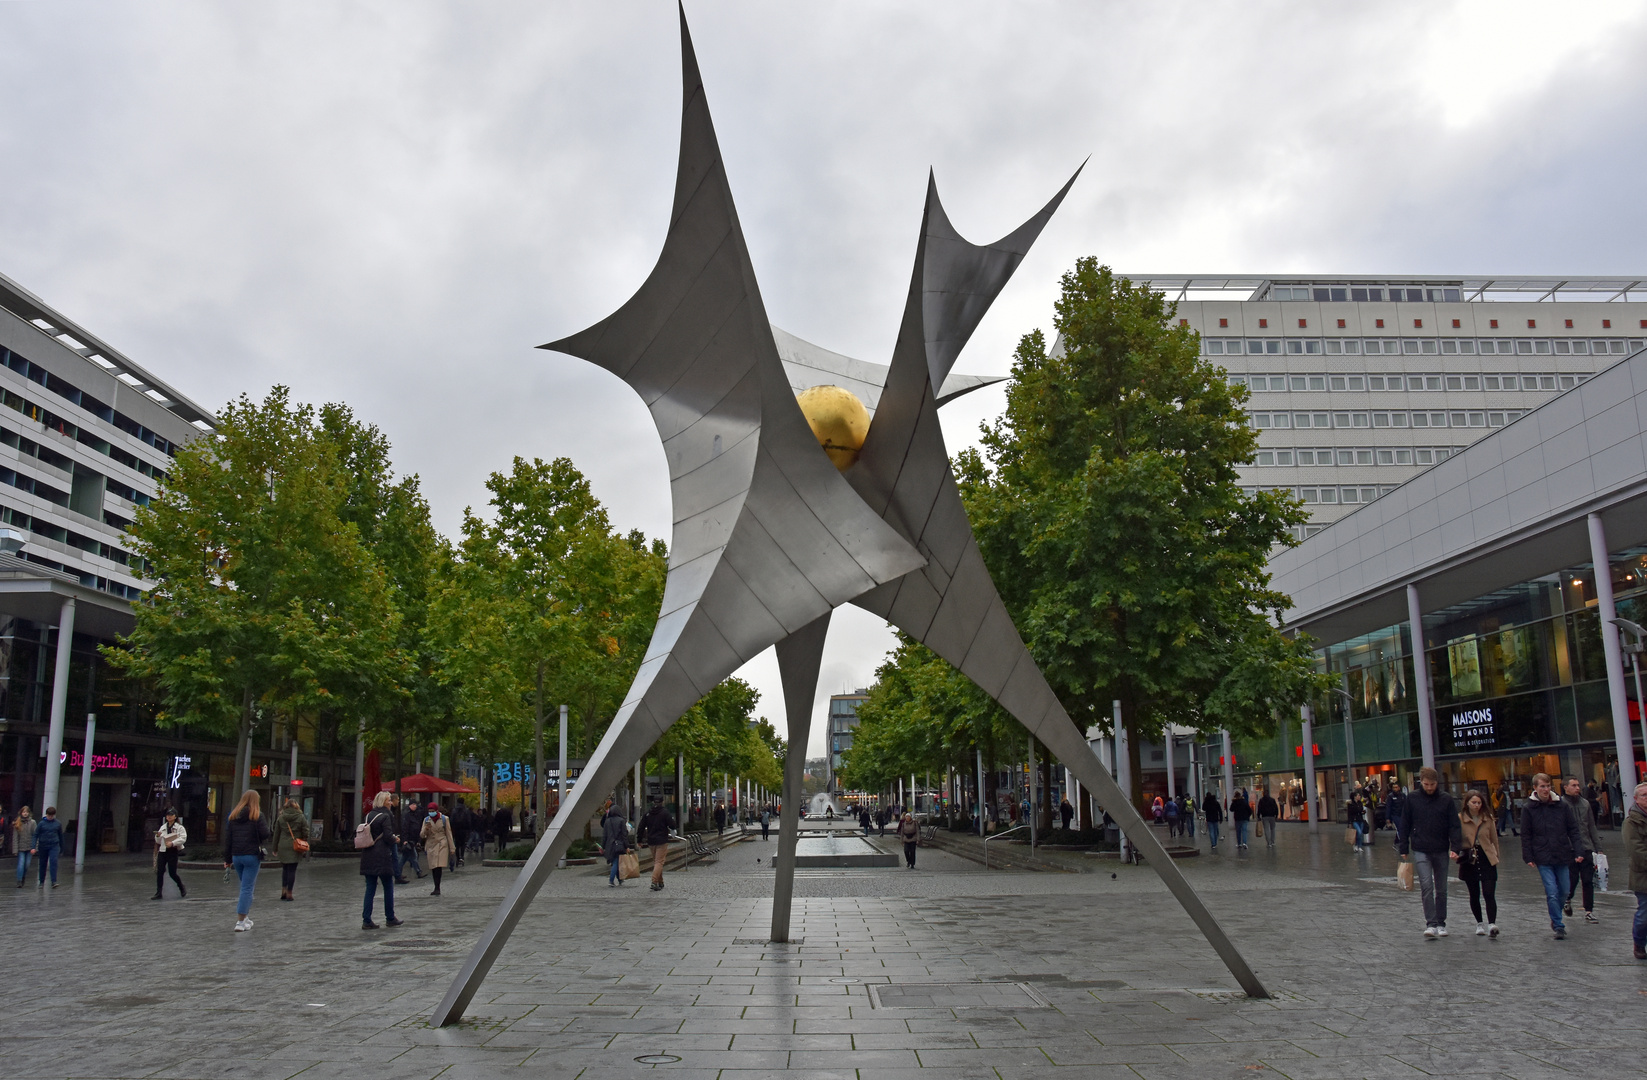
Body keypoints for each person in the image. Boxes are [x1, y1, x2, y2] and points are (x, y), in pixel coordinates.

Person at [1397, 766, 1461, 939]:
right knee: (1426, 886)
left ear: (1437, 783)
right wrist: (1403, 847)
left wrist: (1455, 847)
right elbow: (1405, 823)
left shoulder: (1446, 800)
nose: (1430, 787)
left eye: (1432, 784)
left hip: (1440, 848)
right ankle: (1431, 923)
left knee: (1441, 888)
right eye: (1426, 784)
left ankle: (1441, 922)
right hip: (1420, 848)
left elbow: (1454, 825)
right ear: (1421, 783)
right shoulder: (1413, 799)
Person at [1522, 772, 1584, 940]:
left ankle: (1556, 913)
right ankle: (1558, 924)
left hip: (1562, 853)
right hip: (1542, 855)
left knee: (1565, 890)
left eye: (1548, 786)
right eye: (1542, 786)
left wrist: (1578, 851)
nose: (1546, 789)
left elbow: (1573, 829)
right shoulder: (1529, 808)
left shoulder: (1561, 805)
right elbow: (1526, 834)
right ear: (1535, 788)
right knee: (1552, 891)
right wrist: (1528, 856)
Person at [222, 790, 270, 932]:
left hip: (237, 856)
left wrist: (227, 859)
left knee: (244, 885)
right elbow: (265, 833)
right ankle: (240, 921)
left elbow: (228, 839)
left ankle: (246, 917)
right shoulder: (257, 816)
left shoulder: (233, 816)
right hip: (251, 855)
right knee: (247, 888)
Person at [1457, 790, 1500, 937]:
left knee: (1489, 893)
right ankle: (1479, 923)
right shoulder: (1460, 819)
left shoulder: (1488, 819)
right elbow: (1456, 839)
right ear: (1467, 803)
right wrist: (1456, 851)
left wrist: (1496, 857)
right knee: (1474, 893)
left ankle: (1492, 923)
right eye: (1473, 802)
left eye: (1479, 802)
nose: (1476, 805)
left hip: (1486, 856)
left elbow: (1494, 839)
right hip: (1470, 858)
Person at [1562, 777, 1601, 925]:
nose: (1577, 788)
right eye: (1573, 785)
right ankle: (1567, 898)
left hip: (1586, 847)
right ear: (1565, 787)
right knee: (1573, 879)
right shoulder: (1560, 804)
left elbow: (1591, 826)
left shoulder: (1585, 804)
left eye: (1578, 785)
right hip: (1569, 849)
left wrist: (1599, 848)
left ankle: (1589, 911)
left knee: (1588, 880)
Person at [361, 791, 403, 929]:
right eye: (389, 800)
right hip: (383, 855)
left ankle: (366, 919)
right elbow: (387, 835)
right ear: (384, 802)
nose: (391, 802)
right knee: (388, 886)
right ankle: (390, 917)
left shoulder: (369, 815)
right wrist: (395, 839)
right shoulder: (386, 816)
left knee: (370, 888)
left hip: (368, 853)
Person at [1623, 781, 1647, 960]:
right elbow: (1635, 849)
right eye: (1644, 795)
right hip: (1643, 875)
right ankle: (1639, 943)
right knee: (1645, 912)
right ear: (1636, 799)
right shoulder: (1632, 822)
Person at [272, 797, 308, 903]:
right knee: (292, 869)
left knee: (285, 869)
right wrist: (304, 840)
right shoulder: (300, 817)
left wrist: (275, 848)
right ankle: (289, 893)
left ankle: (283, 890)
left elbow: (276, 834)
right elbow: (306, 831)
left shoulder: (281, 818)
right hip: (295, 846)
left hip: (283, 845)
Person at [421, 802, 455, 896]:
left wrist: (452, 848)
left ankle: (437, 887)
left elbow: (449, 833)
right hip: (431, 845)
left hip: (441, 844)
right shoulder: (426, 820)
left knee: (438, 866)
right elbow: (422, 835)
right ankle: (436, 886)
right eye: (429, 811)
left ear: (437, 811)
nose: (431, 813)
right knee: (433, 866)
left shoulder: (444, 819)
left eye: (432, 811)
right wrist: (426, 829)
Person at [640, 798, 674, 892]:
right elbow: (672, 825)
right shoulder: (665, 813)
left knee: (657, 862)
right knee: (659, 862)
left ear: (653, 802)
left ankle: (660, 881)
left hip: (651, 841)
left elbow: (641, 826)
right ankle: (654, 881)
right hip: (662, 840)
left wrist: (639, 840)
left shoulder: (648, 813)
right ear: (662, 802)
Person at [153, 808, 188, 900]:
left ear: (175, 817)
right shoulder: (163, 827)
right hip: (163, 851)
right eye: (167, 815)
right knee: (160, 872)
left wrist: (173, 843)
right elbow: (159, 841)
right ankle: (159, 892)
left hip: (173, 851)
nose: (169, 817)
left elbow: (183, 838)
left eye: (171, 815)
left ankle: (181, 886)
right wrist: (157, 836)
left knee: (172, 873)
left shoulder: (179, 827)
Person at [392, 794, 423, 883]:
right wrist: (405, 840)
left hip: (412, 839)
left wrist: (417, 840)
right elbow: (405, 828)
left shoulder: (414, 814)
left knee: (405, 858)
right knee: (413, 857)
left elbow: (416, 827)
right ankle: (418, 872)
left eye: (416, 805)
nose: (415, 806)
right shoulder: (407, 815)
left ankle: (398, 873)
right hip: (409, 839)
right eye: (413, 804)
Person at [34, 806, 63, 888]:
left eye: (52, 815)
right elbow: (36, 834)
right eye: (49, 815)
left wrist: (62, 847)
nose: (50, 817)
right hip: (43, 846)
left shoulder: (57, 823)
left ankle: (54, 881)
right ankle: (41, 881)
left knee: (53, 861)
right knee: (43, 863)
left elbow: (61, 836)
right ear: (46, 814)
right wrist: (33, 846)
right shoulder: (41, 824)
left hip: (54, 845)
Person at [601, 803, 629, 888]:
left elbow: (604, 835)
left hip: (609, 845)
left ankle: (620, 879)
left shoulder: (607, 821)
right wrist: (627, 846)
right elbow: (624, 835)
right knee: (616, 862)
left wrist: (603, 846)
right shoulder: (621, 821)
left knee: (615, 862)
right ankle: (611, 880)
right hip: (619, 845)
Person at [13, 806, 35, 888]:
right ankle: (19, 880)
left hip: (29, 847)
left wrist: (35, 847)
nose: (25, 813)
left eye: (26, 812)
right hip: (21, 847)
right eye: (23, 812)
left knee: (27, 864)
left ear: (29, 813)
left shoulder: (32, 822)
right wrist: (15, 849)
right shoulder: (17, 823)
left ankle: (23, 877)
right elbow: (15, 837)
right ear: (21, 813)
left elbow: (35, 835)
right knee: (21, 864)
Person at [451, 802, 471, 866]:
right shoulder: (466, 810)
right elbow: (468, 821)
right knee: (463, 844)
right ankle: (462, 857)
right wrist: (468, 830)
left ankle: (458, 858)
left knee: (457, 845)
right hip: (464, 830)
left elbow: (451, 821)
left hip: (456, 830)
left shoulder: (454, 810)